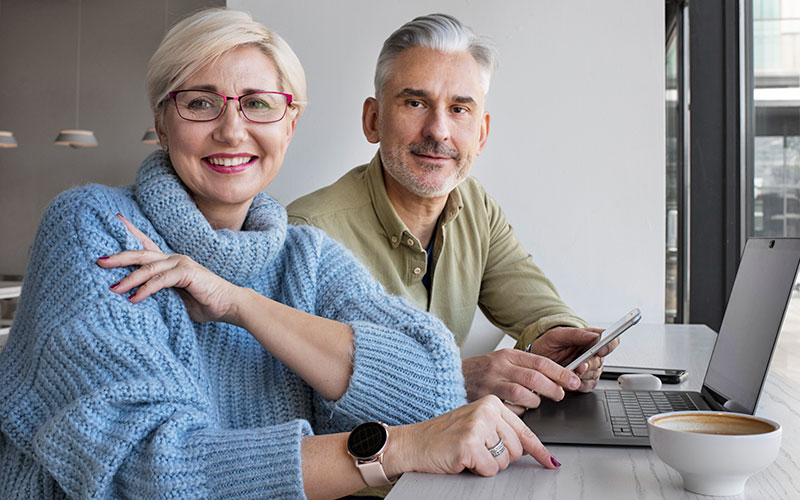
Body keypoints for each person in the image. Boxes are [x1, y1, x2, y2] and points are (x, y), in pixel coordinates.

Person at [0, 9, 559, 500]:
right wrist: (394, 450)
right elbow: (150, 473)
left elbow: (432, 381)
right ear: (161, 122)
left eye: (260, 105)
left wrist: (240, 304)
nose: (231, 129)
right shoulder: (95, 227)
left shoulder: (301, 253)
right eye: (200, 103)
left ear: (290, 125)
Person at [288, 13, 617, 415]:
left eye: (460, 109)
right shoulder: (305, 236)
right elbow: (296, 409)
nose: (438, 130)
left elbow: (538, 307)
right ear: (373, 120)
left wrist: (559, 343)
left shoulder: (474, 204)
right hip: (363, 474)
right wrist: (455, 378)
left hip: (450, 463)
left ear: (481, 134)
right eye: (415, 102)